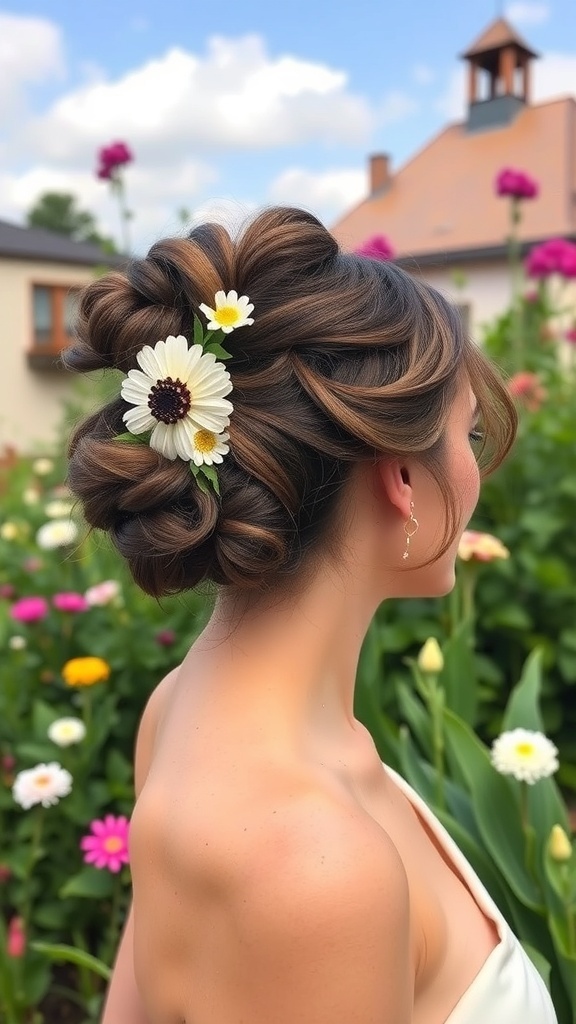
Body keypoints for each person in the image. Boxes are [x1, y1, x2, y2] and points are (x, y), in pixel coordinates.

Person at [64, 206, 557, 1024]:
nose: (476, 468)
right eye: (466, 433)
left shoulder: (178, 711)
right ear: (401, 480)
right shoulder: (316, 869)